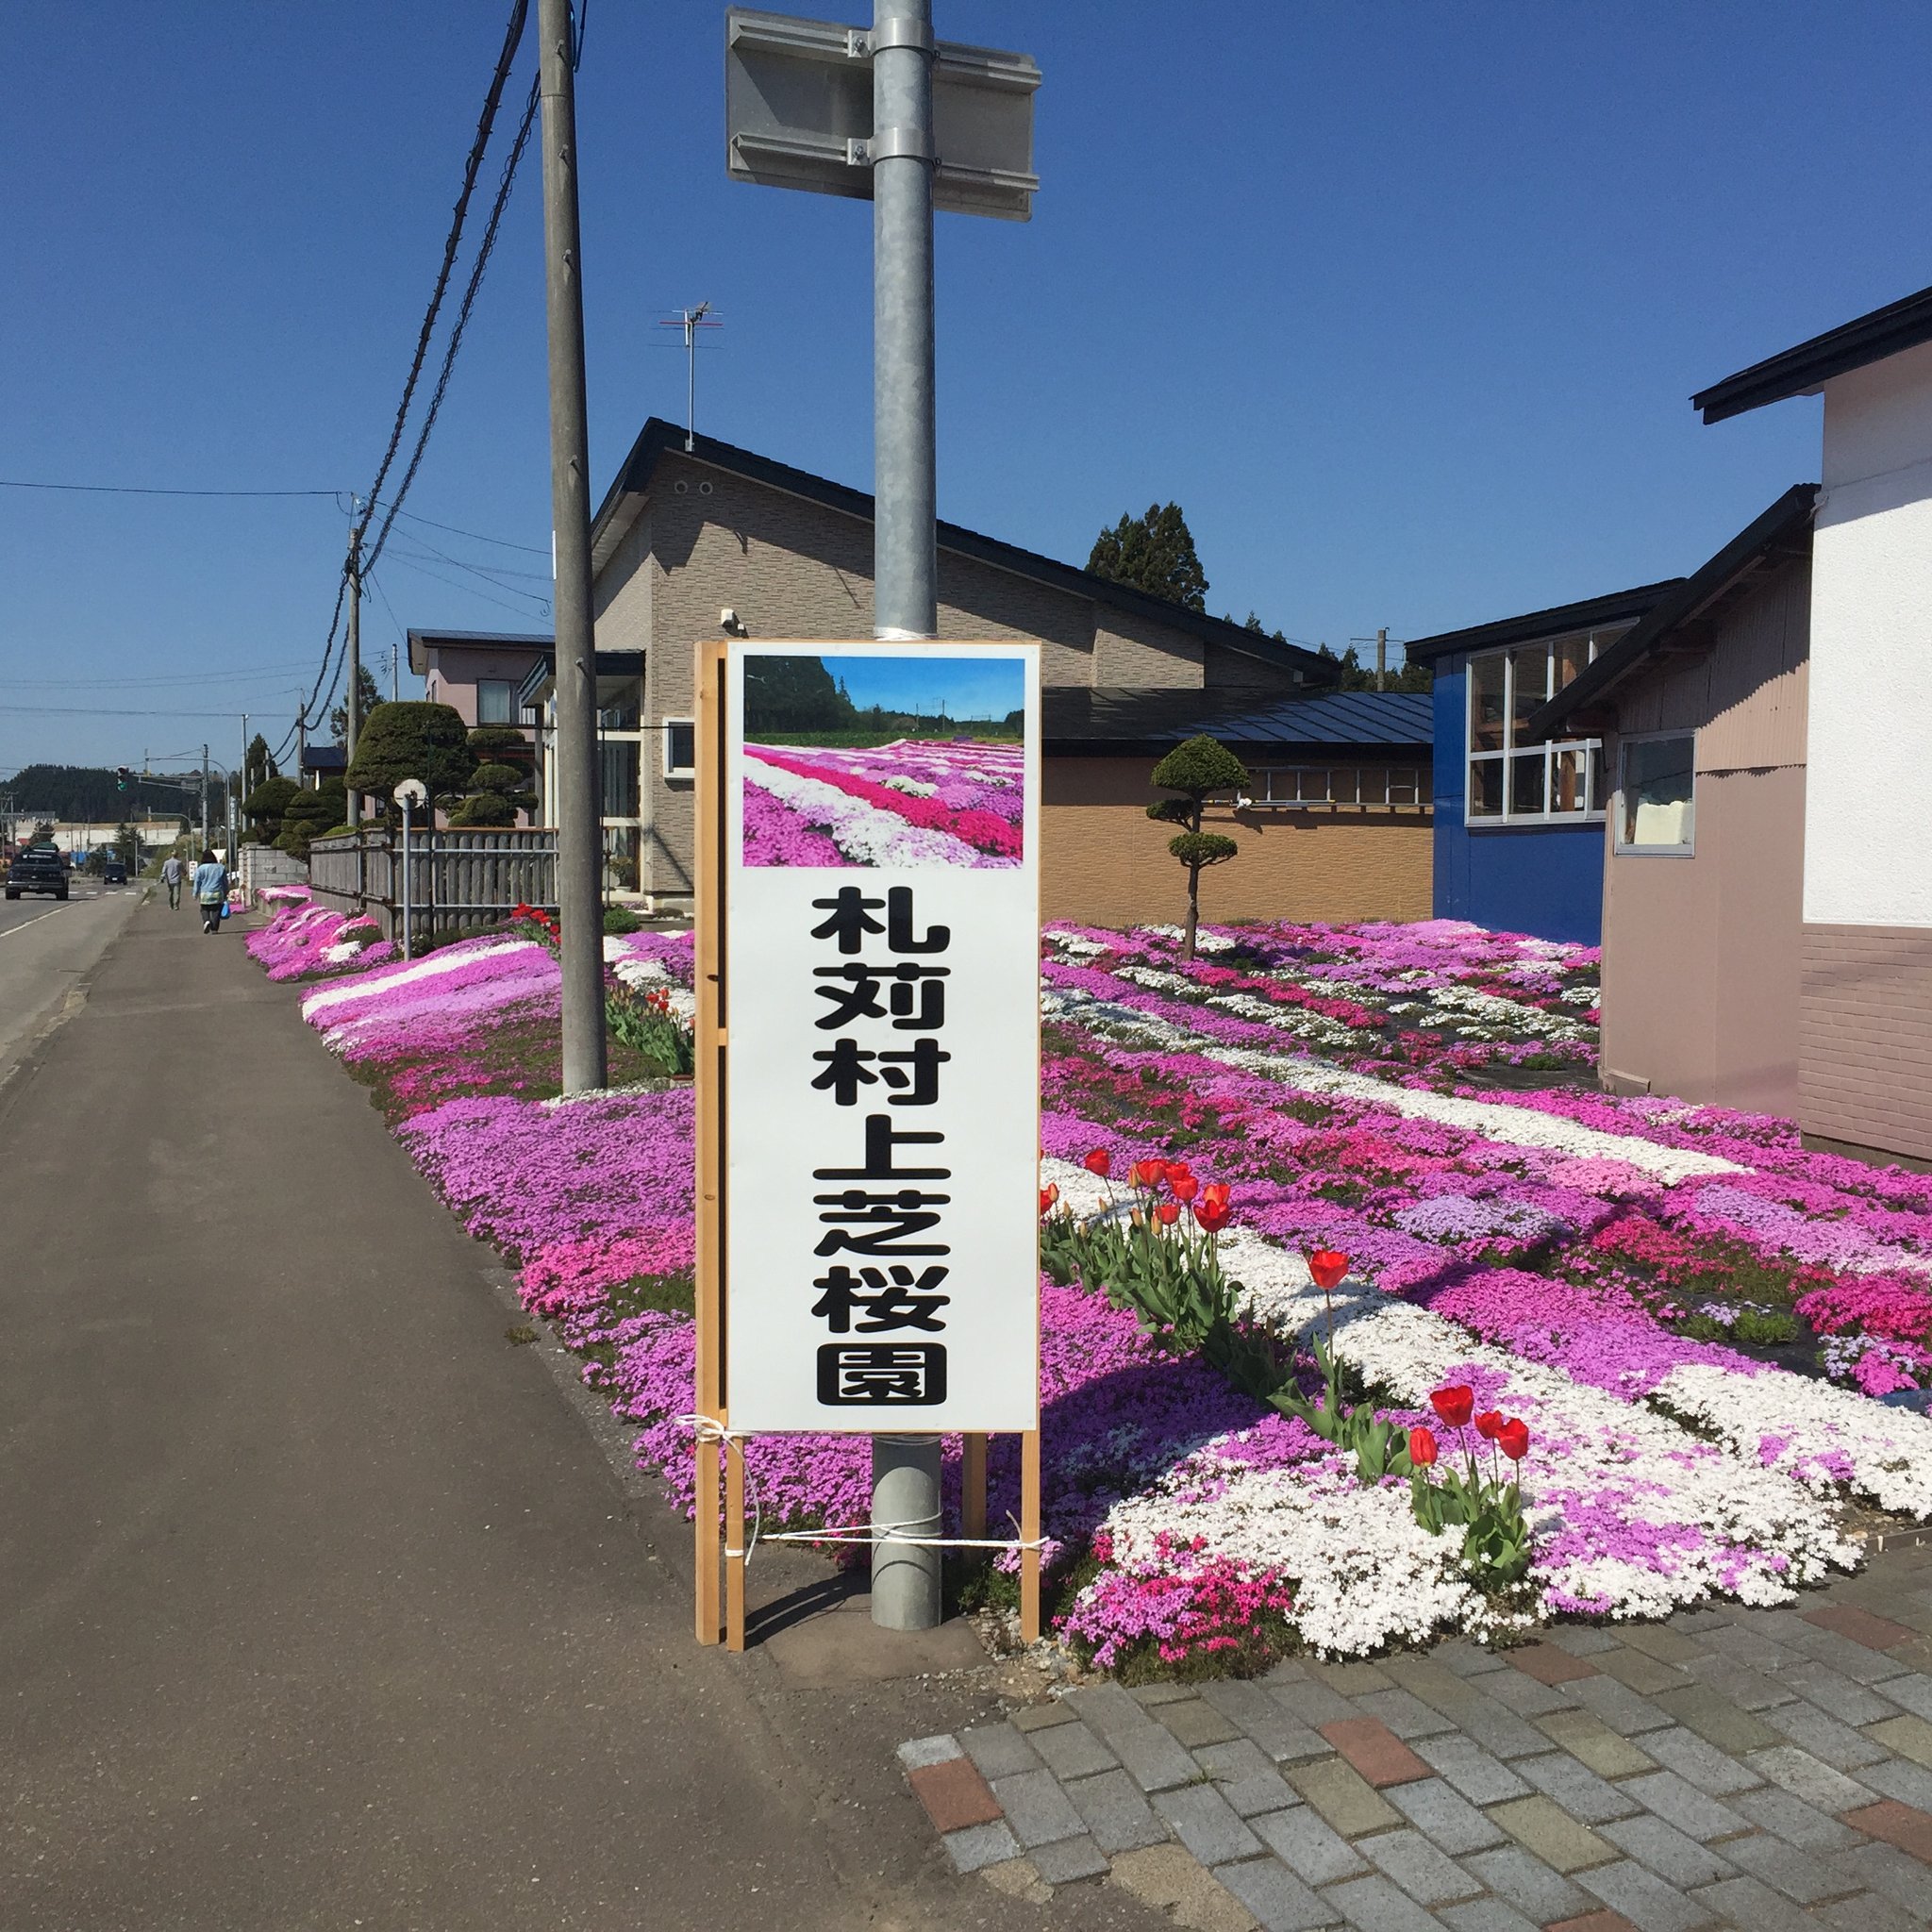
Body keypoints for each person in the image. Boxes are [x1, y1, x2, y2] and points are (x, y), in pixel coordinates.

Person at [192, 850, 229, 935]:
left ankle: (206, 921)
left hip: (205, 893)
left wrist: (195, 893)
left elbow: (197, 882)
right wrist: (226, 891)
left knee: (204, 909)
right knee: (216, 910)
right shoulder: (220, 867)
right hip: (217, 892)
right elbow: (225, 882)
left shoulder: (200, 868)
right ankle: (214, 929)